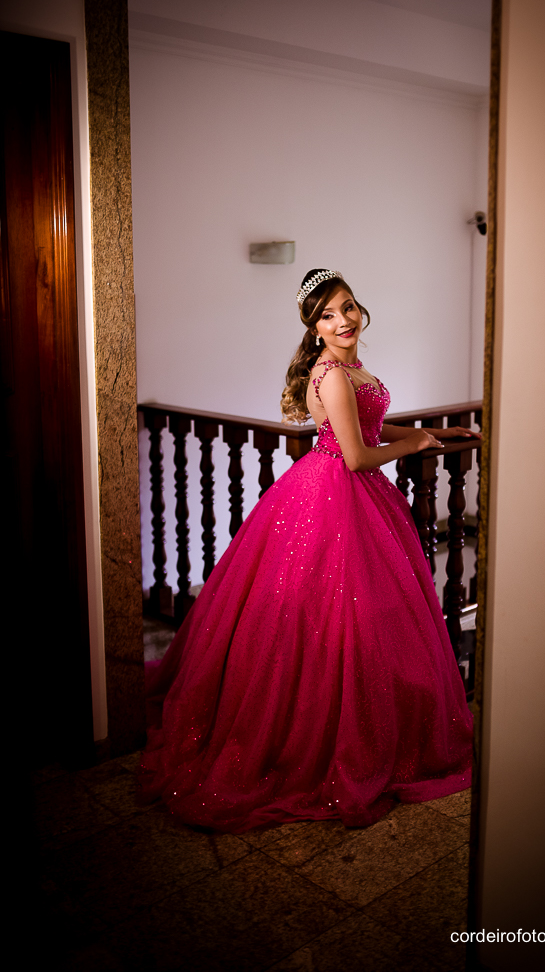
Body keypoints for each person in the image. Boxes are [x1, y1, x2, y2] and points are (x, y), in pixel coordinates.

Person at [138, 269, 478, 832]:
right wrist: (415, 443)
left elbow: (370, 425)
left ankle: (382, 726)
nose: (342, 320)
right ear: (314, 326)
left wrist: (432, 434)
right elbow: (356, 456)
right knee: (337, 617)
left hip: (350, 493)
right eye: (327, 315)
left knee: (362, 617)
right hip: (334, 493)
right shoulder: (331, 373)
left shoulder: (348, 367)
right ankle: (333, 737)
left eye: (347, 307)